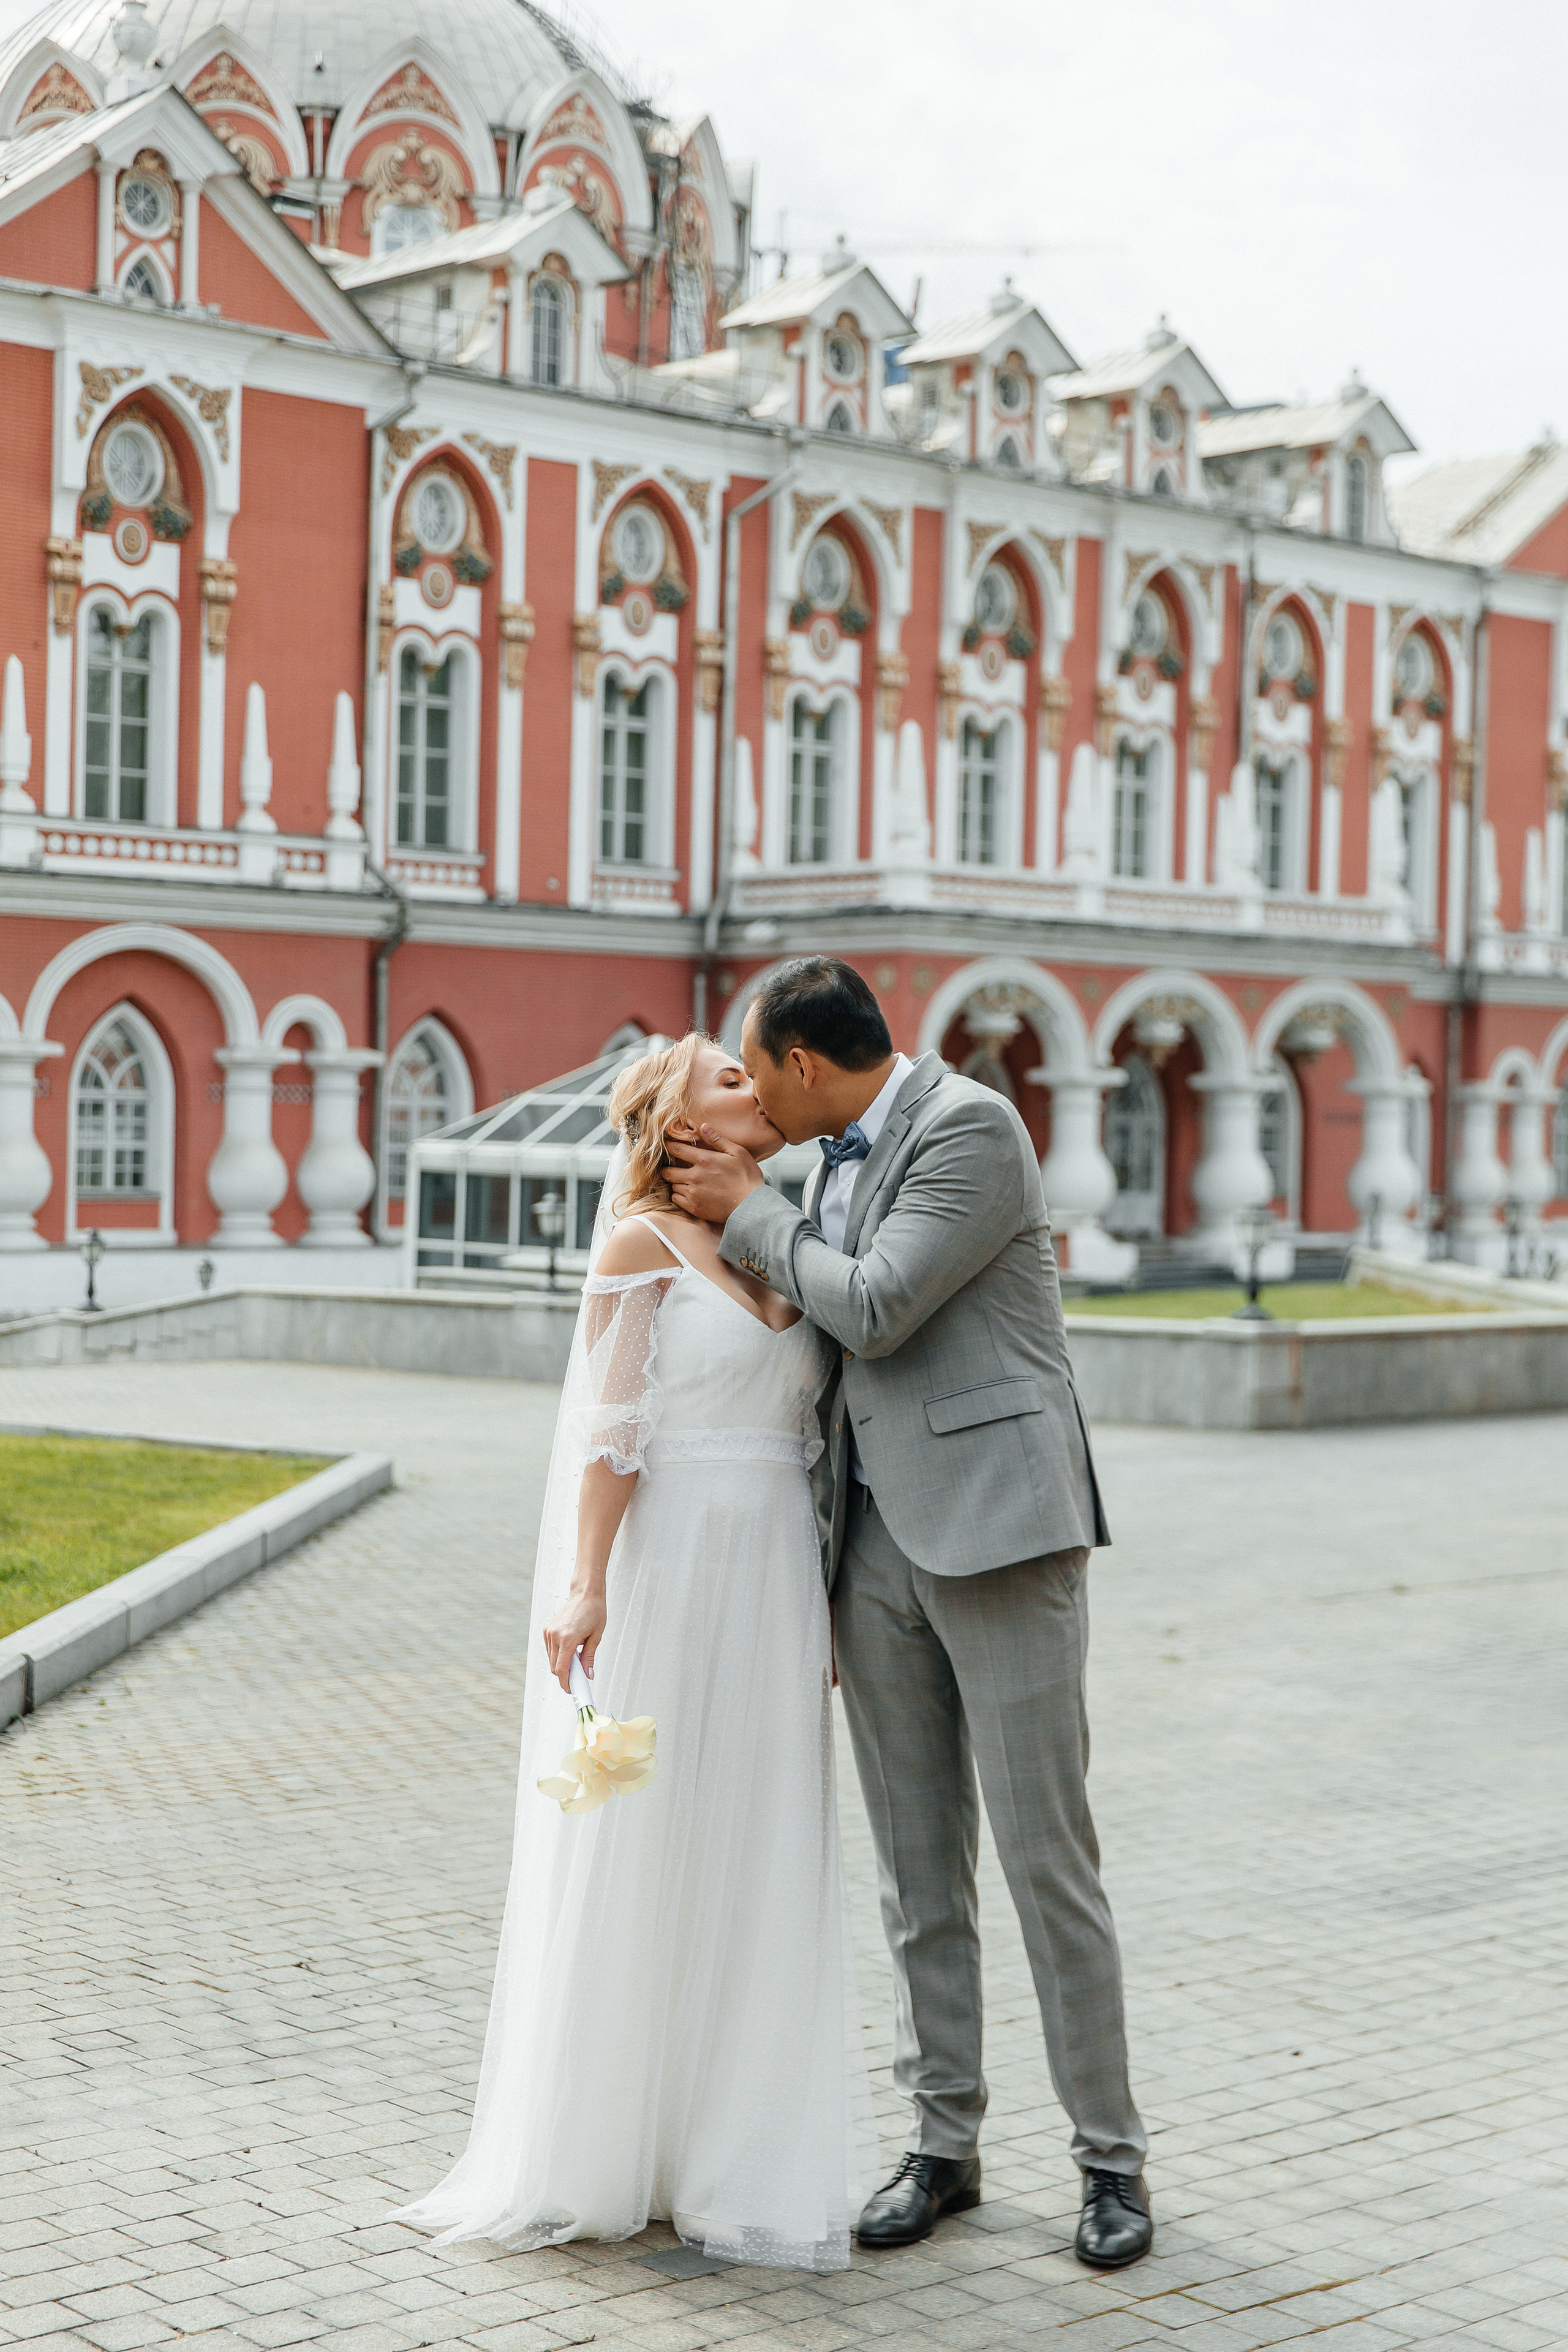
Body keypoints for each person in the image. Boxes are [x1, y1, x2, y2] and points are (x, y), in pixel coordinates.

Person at [666, 957, 1152, 2269]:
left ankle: (1110, 2165)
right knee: (914, 1874)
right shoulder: (822, 1160)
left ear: (804, 1066)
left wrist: (753, 1210)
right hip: (870, 1550)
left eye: (756, 1072)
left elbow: (874, 1308)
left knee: (1046, 1865)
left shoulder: (970, 1129)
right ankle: (941, 2146)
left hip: (999, 1536)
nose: (753, 1103)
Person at [393, 1033, 876, 2271]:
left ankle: (725, 2144)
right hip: (664, 1568)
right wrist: (584, 1584)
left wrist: (824, 1601)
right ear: (673, 1121)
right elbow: (610, 1434)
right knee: (641, 1830)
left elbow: (818, 1447)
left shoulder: (790, 1238)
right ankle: (605, 2142)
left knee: (753, 1835)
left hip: (772, 1570)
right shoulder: (638, 1245)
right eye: (730, 1077)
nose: (756, 1088)